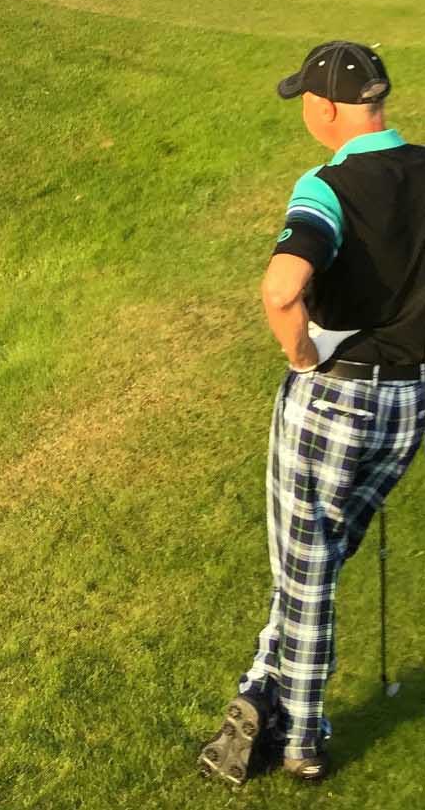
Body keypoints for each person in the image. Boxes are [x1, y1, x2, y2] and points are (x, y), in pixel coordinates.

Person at [199, 42, 425, 787]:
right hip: (410, 404)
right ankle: (264, 679)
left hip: (336, 397)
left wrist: (301, 357)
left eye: (305, 97)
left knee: (305, 571)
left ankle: (300, 732)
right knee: (317, 559)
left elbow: (281, 287)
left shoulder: (328, 184)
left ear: (325, 109)